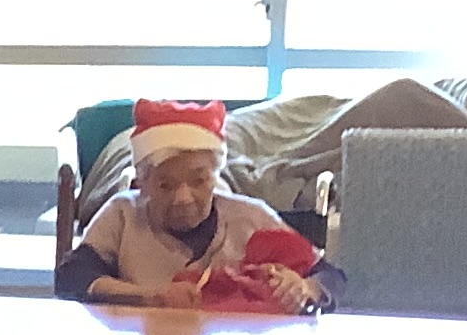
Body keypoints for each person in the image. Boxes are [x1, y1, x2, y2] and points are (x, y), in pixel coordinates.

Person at [59, 97, 336, 310]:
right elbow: (72, 277)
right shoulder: (122, 214)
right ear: (141, 183)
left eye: (198, 181)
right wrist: (151, 297)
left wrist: (304, 288)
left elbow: (330, 276)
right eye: (165, 185)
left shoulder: (250, 217)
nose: (183, 198)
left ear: (215, 178)